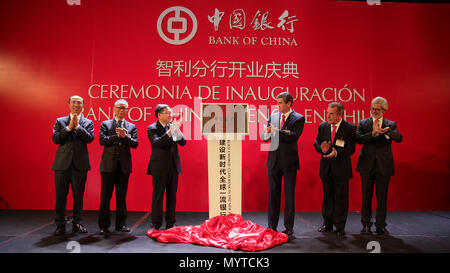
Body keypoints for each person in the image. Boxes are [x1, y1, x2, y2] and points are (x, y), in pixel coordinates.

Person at [356, 96, 403, 236]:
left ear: (384, 110)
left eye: (377, 109)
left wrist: (386, 131)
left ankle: (381, 225)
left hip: (384, 165)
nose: (374, 111)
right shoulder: (364, 123)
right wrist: (373, 133)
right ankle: (366, 224)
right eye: (372, 108)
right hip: (366, 165)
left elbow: (399, 138)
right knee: (366, 196)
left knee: (382, 197)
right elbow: (358, 139)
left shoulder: (391, 124)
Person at [262, 92, 305, 237]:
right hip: (273, 161)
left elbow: (293, 136)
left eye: (280, 102)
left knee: (289, 196)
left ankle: (288, 227)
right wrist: (267, 133)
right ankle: (271, 226)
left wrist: (276, 131)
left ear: (289, 103)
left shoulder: (298, 118)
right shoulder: (273, 116)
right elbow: (264, 136)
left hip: (289, 162)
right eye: (277, 102)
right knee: (273, 194)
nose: (278, 105)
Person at [51, 95, 94, 235]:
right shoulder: (60, 121)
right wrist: (69, 128)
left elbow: (89, 138)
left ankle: (78, 223)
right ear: (69, 104)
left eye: (79, 103)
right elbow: (56, 139)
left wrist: (78, 127)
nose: (76, 105)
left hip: (79, 164)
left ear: (83, 106)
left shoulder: (88, 122)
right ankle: (60, 224)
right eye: (74, 102)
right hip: (62, 164)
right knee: (60, 196)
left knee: (78, 196)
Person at [313, 102, 356, 237]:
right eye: (327, 113)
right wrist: (322, 149)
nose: (328, 116)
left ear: (339, 114)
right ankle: (327, 224)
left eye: (331, 113)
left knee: (341, 198)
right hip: (326, 168)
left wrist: (336, 153)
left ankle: (340, 226)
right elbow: (317, 143)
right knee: (327, 197)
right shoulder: (323, 126)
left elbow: (351, 149)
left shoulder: (350, 128)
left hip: (341, 168)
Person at [98, 99, 138, 234]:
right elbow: (102, 140)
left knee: (121, 197)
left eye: (124, 108)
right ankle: (103, 226)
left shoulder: (131, 126)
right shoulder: (106, 124)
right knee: (105, 197)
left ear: (127, 110)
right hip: (108, 165)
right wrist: (117, 136)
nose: (121, 110)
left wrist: (125, 137)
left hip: (124, 167)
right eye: (119, 108)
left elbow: (135, 143)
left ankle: (121, 225)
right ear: (114, 109)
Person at [147, 104, 186, 230]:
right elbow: (157, 143)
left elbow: (183, 142)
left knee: (172, 196)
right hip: (159, 167)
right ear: (159, 115)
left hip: (173, 167)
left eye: (170, 112)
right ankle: (156, 223)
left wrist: (177, 131)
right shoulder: (152, 128)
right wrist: (170, 132)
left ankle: (171, 222)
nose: (170, 115)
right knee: (158, 196)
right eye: (167, 113)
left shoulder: (172, 127)